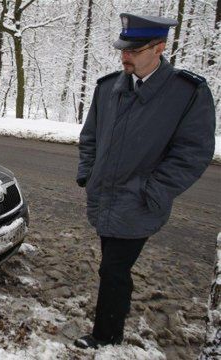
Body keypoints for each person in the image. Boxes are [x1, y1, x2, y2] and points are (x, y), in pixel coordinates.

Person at [74, 13, 216, 349]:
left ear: (159, 48)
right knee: (112, 268)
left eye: (135, 50)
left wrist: (152, 191)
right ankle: (112, 323)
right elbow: (90, 137)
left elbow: (192, 153)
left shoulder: (187, 93)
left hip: (138, 203)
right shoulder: (108, 88)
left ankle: (105, 337)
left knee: (113, 269)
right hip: (104, 198)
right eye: (123, 48)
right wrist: (88, 174)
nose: (126, 56)